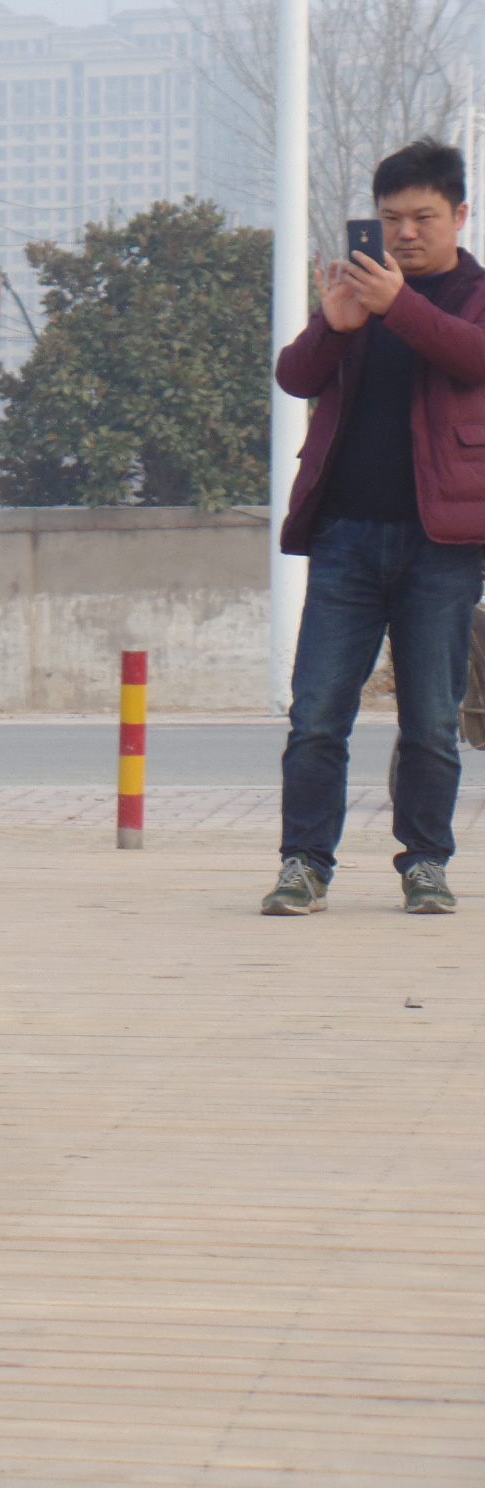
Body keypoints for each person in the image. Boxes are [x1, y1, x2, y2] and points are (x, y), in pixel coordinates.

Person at [268, 137, 485, 915]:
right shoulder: (359, 295)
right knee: (318, 713)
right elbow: (296, 378)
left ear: (460, 215)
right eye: (390, 217)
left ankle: (425, 862)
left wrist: (399, 306)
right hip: (346, 537)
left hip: (443, 546)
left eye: (424, 216)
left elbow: (472, 358)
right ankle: (303, 863)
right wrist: (335, 323)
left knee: (430, 720)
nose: (405, 233)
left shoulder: (472, 295)